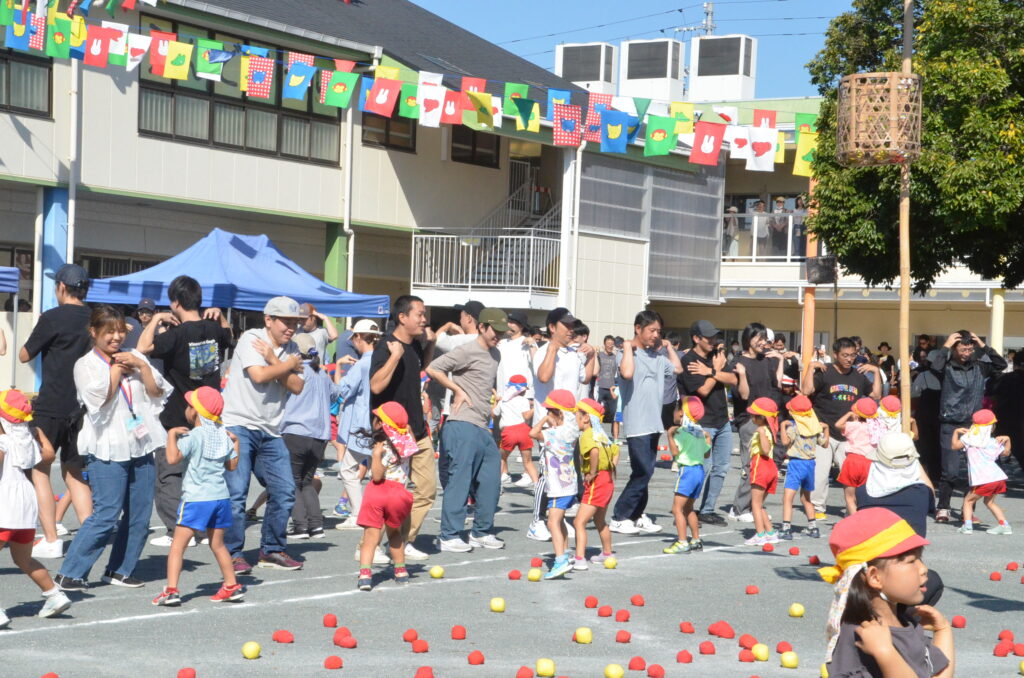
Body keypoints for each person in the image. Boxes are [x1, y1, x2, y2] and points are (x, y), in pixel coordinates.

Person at [55, 305, 172, 592]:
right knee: (106, 513)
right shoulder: (86, 365)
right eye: (109, 332)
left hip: (141, 443)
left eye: (120, 331)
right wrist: (117, 372)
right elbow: (99, 402)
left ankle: (120, 569)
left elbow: (158, 394)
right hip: (107, 447)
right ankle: (70, 572)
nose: (116, 337)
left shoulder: (136, 357)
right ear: (94, 332)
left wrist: (142, 366)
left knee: (140, 513)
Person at [138, 275, 234, 547]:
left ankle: (177, 529)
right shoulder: (214, 329)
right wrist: (220, 318)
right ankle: (204, 529)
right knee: (205, 471)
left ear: (176, 302)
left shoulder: (175, 334)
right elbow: (229, 338)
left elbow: (143, 348)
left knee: (170, 472)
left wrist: (156, 320)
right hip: (210, 412)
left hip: (181, 412)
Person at [221, 296, 306, 574]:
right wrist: (285, 365)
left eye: (295, 322)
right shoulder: (251, 337)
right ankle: (232, 553)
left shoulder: (292, 348)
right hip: (238, 424)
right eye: (286, 321)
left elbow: (297, 386)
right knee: (236, 493)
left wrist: (274, 360)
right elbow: (258, 375)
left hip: (271, 430)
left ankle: (271, 549)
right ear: (269, 320)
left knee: (284, 490)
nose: (291, 327)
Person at [819, 508, 953, 678]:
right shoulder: (861, 638)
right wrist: (885, 653)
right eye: (912, 561)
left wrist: (942, 630)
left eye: (921, 559)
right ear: (875, 577)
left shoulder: (904, 623)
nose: (923, 569)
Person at [20, 264, 93, 559]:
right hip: (84, 407)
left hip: (51, 404)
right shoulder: (94, 318)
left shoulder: (51, 318)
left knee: (40, 470)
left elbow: (25, 354)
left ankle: (51, 538)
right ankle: (90, 537)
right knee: (75, 473)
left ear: (62, 287)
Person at [427, 308, 509, 553]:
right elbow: (433, 368)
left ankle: (481, 532)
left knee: (491, 482)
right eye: (496, 331)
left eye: (503, 332)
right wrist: (457, 389)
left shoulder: (496, 354)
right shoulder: (466, 349)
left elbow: (482, 379)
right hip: (461, 423)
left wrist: (492, 394)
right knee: (459, 482)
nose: (499, 336)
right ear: (482, 327)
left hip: (483, 426)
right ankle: (449, 535)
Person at [152, 387, 243, 606]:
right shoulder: (223, 435)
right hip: (220, 498)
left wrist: (171, 435)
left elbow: (173, 459)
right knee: (218, 544)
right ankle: (231, 584)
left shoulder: (193, 436)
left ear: (195, 412)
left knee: (178, 545)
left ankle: (171, 590)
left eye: (190, 405)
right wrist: (236, 442)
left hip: (196, 499)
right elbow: (232, 466)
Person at [369, 295, 437, 560]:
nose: (424, 319)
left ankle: (402, 541)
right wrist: (394, 357)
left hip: (417, 431)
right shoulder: (386, 347)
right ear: (402, 317)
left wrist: (430, 344)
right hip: (391, 434)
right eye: (419, 314)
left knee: (427, 490)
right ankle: (370, 546)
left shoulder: (414, 346)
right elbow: (376, 386)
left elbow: (422, 370)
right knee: (388, 495)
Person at [0, 390, 72, 626]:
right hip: (25, 505)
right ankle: (54, 594)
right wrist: (38, 435)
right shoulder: (30, 436)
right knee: (25, 560)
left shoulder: (3, 441)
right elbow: (49, 455)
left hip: (4, 503)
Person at [610, 310, 683, 536]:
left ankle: (637, 514)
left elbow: (678, 369)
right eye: (651, 330)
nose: (655, 335)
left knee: (647, 472)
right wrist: (629, 347)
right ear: (638, 328)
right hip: (637, 423)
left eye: (658, 331)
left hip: (654, 423)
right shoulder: (626, 354)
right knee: (642, 471)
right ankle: (620, 516)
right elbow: (628, 373)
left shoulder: (659, 358)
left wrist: (669, 347)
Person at [528, 307, 592, 541]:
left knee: (564, 474)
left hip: (569, 424)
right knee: (548, 473)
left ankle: (556, 517)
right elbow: (544, 377)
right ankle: (536, 521)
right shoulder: (543, 351)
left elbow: (584, 379)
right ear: (552, 327)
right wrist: (552, 348)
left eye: (573, 325)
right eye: (566, 326)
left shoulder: (573, 354)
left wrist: (591, 356)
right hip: (548, 424)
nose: (571, 330)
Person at [929, 329, 1006, 522]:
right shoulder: (947, 367)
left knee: (973, 470)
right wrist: (946, 344)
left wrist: (982, 344)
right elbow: (933, 367)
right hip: (951, 423)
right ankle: (943, 507)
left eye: (969, 349)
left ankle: (967, 510)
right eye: (962, 349)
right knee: (950, 470)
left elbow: (1001, 364)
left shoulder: (980, 367)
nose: (966, 353)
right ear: (955, 349)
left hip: (974, 425)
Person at [802, 337, 882, 519]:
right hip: (825, 430)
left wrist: (876, 372)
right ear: (835, 355)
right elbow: (806, 391)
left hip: (849, 435)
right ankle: (817, 508)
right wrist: (810, 369)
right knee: (820, 473)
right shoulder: (825, 372)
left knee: (852, 476)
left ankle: (852, 508)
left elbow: (875, 395)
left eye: (853, 355)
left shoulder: (858, 375)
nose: (849, 359)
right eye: (845, 355)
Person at [280, 333, 340, 540]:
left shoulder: (295, 370)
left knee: (292, 481)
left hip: (296, 430)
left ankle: (300, 526)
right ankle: (315, 525)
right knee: (306, 480)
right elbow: (335, 395)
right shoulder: (321, 373)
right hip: (319, 434)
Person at [678, 320, 736, 527]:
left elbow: (733, 379)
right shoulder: (688, 361)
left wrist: (712, 371)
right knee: (701, 467)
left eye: (715, 336)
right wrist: (715, 372)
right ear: (696, 338)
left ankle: (707, 510)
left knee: (721, 468)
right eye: (709, 337)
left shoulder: (716, 358)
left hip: (722, 420)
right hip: (701, 423)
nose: (713, 341)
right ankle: (686, 510)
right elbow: (702, 390)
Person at [355, 403, 417, 591]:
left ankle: (365, 575)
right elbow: (411, 445)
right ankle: (400, 571)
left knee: (371, 537)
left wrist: (376, 455)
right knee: (394, 533)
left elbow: (377, 476)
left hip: (379, 491)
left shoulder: (381, 445)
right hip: (399, 493)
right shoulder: (406, 443)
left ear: (382, 423)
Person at [728, 322, 782, 522]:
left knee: (766, 464)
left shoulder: (766, 360)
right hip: (749, 419)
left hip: (768, 418)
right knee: (751, 464)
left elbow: (775, 384)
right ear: (748, 339)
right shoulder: (738, 362)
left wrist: (781, 361)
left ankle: (753, 505)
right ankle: (740, 508)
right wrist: (741, 374)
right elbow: (743, 395)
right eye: (758, 338)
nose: (763, 342)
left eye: (764, 339)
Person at [333, 320, 382, 535]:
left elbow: (340, 391)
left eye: (354, 337)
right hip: (377, 422)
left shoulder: (362, 364)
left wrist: (337, 368)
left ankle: (357, 513)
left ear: (360, 337)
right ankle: (370, 511)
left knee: (347, 470)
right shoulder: (381, 361)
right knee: (378, 469)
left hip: (359, 425)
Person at [528, 389, 579, 579]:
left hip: (558, 486)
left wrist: (543, 420)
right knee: (560, 521)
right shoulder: (570, 431)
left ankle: (560, 560)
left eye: (550, 410)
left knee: (552, 522)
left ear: (558, 413)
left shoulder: (554, 433)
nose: (548, 413)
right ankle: (564, 553)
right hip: (569, 484)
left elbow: (533, 433)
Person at [856, 433, 935, 538]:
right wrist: (913, 461)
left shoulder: (863, 492)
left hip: (875, 550)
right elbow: (931, 495)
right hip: (910, 551)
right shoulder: (922, 492)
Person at [572, 398, 617, 569]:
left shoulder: (587, 435)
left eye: (576, 416)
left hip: (597, 482)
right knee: (600, 520)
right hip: (607, 480)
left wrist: (592, 472)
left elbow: (595, 452)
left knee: (579, 522)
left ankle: (580, 558)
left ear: (586, 418)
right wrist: (611, 468)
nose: (575, 419)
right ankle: (607, 553)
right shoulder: (602, 435)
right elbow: (616, 451)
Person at [663, 397, 711, 555]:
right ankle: (696, 540)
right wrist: (708, 440)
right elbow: (706, 453)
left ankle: (682, 541)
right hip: (699, 471)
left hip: (687, 471)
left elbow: (675, 453)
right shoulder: (700, 432)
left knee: (677, 509)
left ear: (682, 413)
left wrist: (670, 436)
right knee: (689, 508)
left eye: (677, 410)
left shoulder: (681, 432)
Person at [952, 409, 1012, 535]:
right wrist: (1007, 440)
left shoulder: (968, 438)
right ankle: (1004, 526)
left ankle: (967, 527)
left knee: (968, 501)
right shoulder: (993, 441)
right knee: (989, 502)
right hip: (997, 477)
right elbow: (1006, 453)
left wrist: (956, 432)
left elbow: (954, 446)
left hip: (983, 479)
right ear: (992, 426)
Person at [779, 395, 827, 539]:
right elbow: (824, 444)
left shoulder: (793, 427)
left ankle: (786, 528)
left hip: (796, 463)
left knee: (788, 498)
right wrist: (827, 428)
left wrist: (783, 426)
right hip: (810, 464)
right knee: (806, 498)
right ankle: (813, 527)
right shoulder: (815, 427)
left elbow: (785, 442)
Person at [745, 397, 780, 546]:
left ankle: (760, 534)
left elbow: (765, 450)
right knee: (760, 504)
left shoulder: (763, 430)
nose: (751, 417)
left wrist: (760, 433)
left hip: (762, 465)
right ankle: (770, 533)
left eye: (754, 415)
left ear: (761, 417)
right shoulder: (768, 429)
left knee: (755, 504)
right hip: (770, 467)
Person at [495, 374, 535, 487]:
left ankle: (499, 481)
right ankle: (536, 484)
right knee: (528, 461)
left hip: (508, 432)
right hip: (523, 430)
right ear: (522, 390)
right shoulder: (523, 401)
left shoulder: (503, 401)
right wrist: (534, 408)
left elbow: (494, 413)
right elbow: (527, 416)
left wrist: (496, 401)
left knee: (502, 458)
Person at [595, 335, 620, 438]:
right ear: (604, 344)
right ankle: (596, 433)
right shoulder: (599, 355)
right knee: (596, 411)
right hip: (600, 386)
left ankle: (615, 437)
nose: (610, 346)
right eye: (608, 343)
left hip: (611, 388)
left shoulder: (615, 357)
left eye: (612, 344)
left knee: (614, 412)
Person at [660, 331, 682, 431]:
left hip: (654, 398)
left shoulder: (657, 354)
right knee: (670, 429)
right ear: (677, 344)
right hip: (670, 400)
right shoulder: (679, 356)